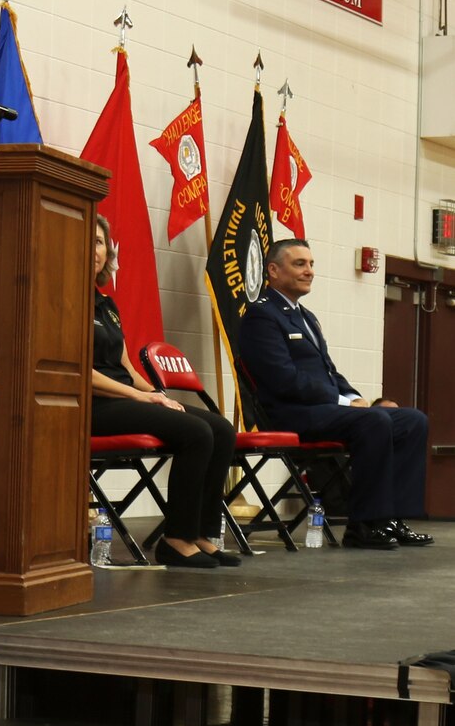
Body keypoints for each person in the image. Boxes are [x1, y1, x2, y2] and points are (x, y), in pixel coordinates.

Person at [238, 238, 432, 549]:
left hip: (324, 409)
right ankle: (364, 526)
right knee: (374, 422)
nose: (309, 271)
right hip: (291, 414)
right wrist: (341, 401)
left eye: (311, 264)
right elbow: (282, 379)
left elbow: (329, 371)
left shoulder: (306, 316)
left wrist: (353, 396)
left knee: (412, 420)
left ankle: (392, 518)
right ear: (273, 270)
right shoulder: (262, 316)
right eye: (299, 264)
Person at [89, 216, 238, 568]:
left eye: (99, 241)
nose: (95, 249)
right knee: (195, 432)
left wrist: (157, 392)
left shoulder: (106, 303)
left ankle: (202, 534)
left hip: (124, 397)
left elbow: (125, 367)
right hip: (93, 404)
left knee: (221, 428)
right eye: (87, 239)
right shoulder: (62, 297)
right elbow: (78, 370)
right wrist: (142, 398)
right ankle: (176, 540)